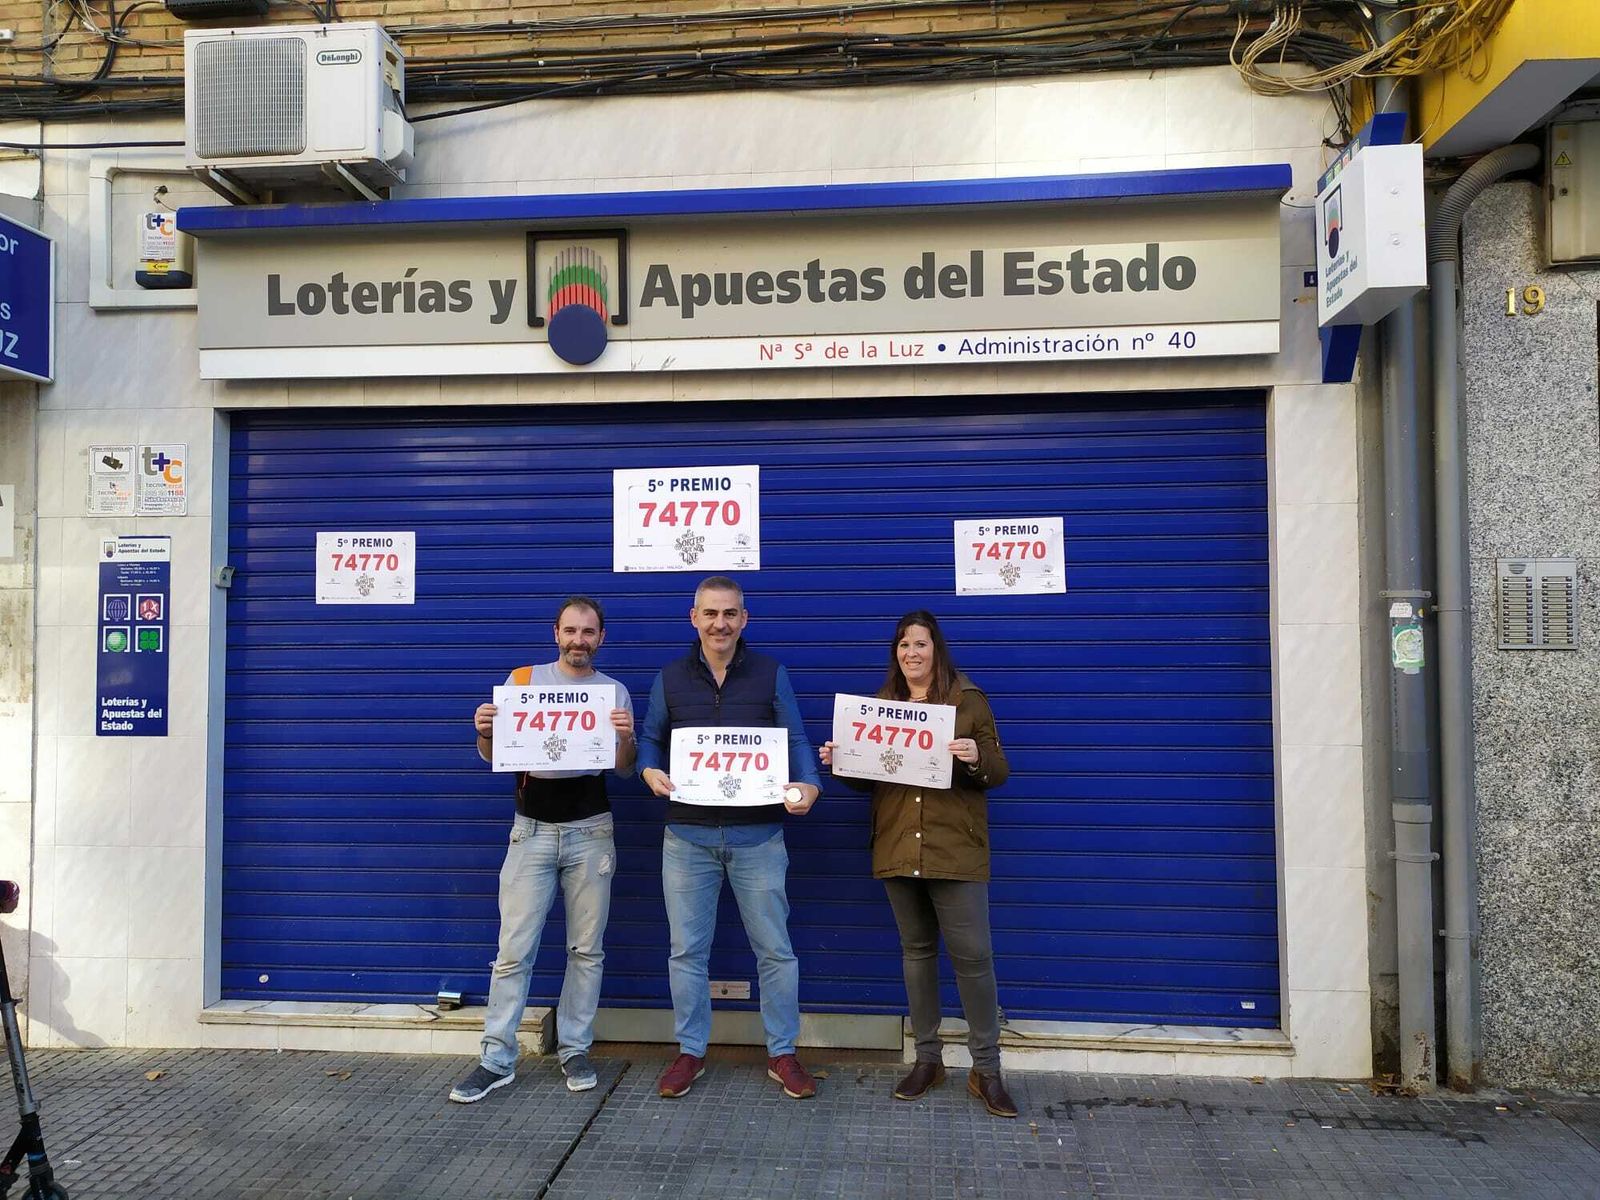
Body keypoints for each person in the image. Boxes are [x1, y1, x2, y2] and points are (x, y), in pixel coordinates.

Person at [819, 610, 1017, 1118]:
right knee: (917, 953)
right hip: (900, 846)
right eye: (904, 644)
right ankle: (928, 1060)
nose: (912, 653)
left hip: (956, 850)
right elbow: (869, 781)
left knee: (974, 958)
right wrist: (841, 761)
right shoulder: (882, 707)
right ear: (897, 652)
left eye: (921, 644)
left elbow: (997, 772)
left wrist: (974, 754)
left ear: (937, 649)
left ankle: (987, 1070)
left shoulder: (968, 701)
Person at [637, 576, 823, 1101]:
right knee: (686, 953)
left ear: (745, 618)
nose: (720, 623)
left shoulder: (770, 674)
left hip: (759, 836)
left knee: (776, 952)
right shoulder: (670, 678)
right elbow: (650, 739)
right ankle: (690, 1051)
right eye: (711, 613)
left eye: (730, 614)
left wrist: (810, 783)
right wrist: (650, 771)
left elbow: (795, 737)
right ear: (692, 617)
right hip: (687, 837)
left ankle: (782, 1053)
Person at [448, 595, 636, 1103]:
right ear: (556, 632)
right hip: (530, 828)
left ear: (601, 638)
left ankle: (575, 1047)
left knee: (586, 950)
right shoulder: (522, 682)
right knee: (513, 950)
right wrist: (483, 732)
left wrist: (626, 738)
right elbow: (497, 755)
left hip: (591, 829)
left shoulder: (612, 691)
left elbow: (623, 767)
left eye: (589, 632)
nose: (579, 640)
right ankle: (495, 1058)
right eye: (571, 630)